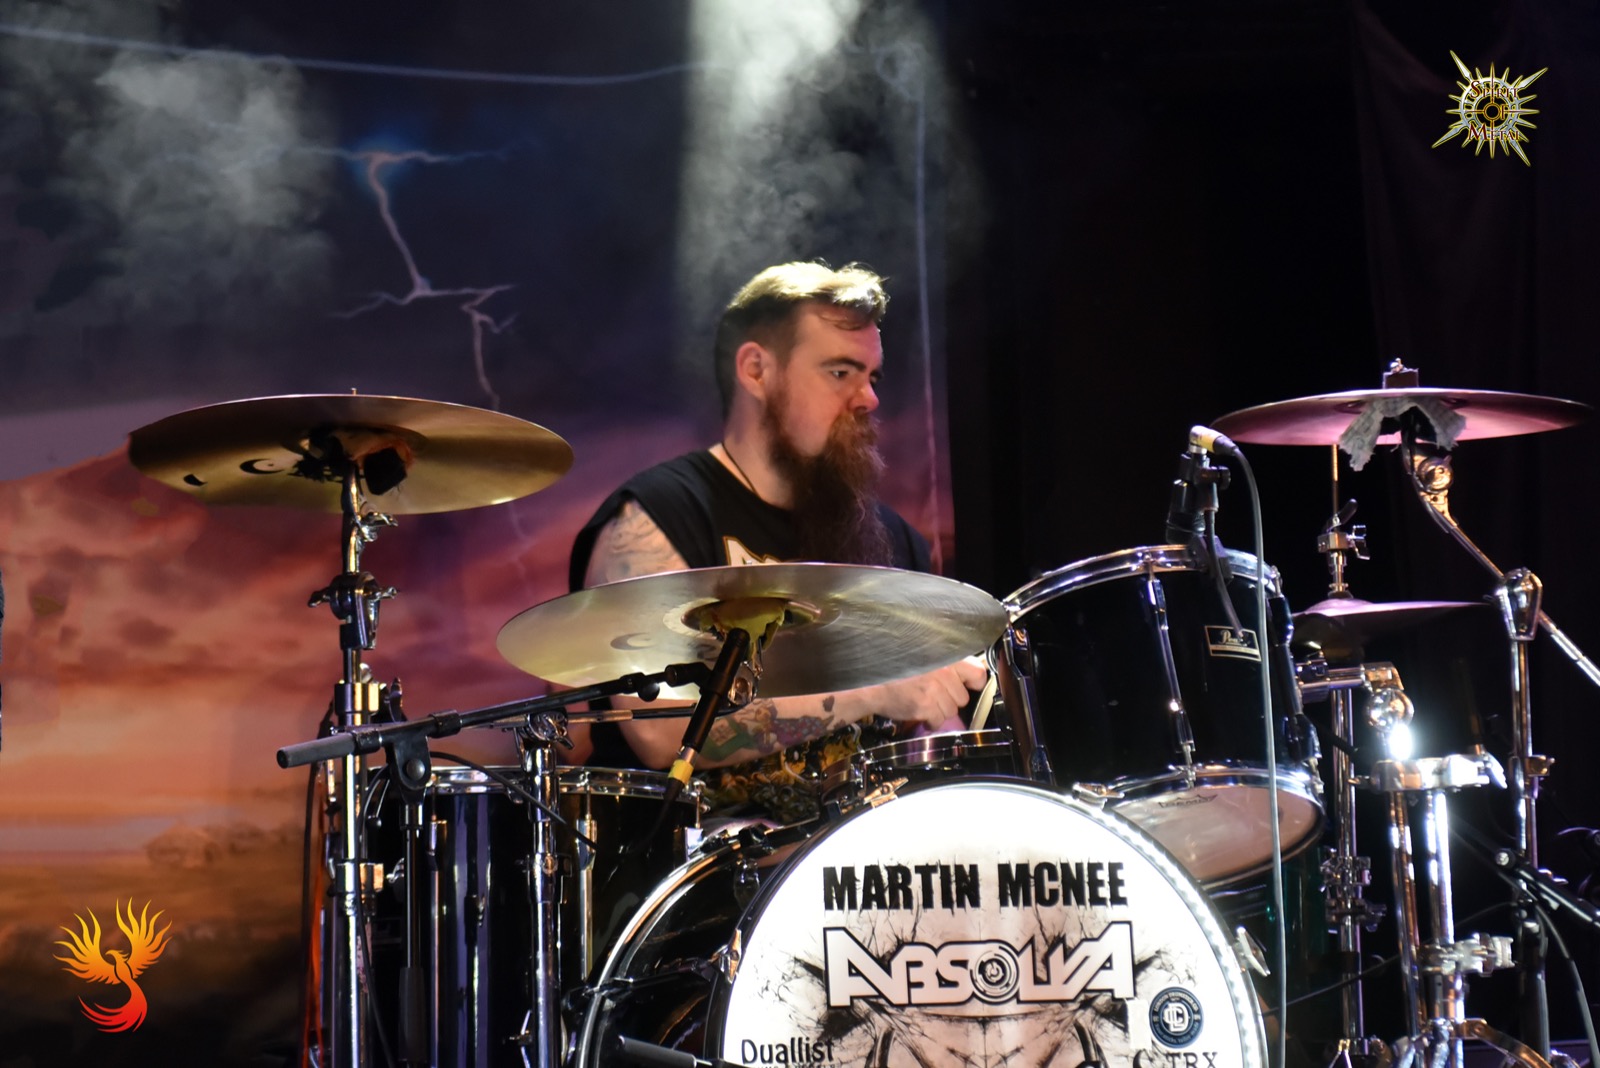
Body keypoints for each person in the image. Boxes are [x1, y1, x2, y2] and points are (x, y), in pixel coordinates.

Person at [567, 261, 987, 824]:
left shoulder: (891, 541)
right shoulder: (655, 521)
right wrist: (875, 692)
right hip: (699, 865)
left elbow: (930, 731)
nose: (868, 398)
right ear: (756, 370)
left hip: (859, 861)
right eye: (840, 372)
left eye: (873, 376)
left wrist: (950, 710)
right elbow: (661, 734)